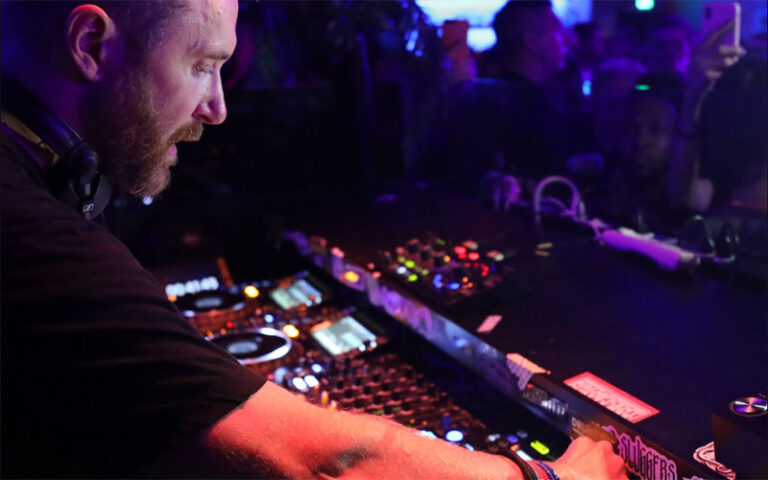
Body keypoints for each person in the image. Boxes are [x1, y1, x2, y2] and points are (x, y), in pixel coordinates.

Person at [0, 1, 628, 478]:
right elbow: (329, 460)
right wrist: (551, 474)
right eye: (201, 65)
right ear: (89, 44)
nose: (216, 106)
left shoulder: (40, 171)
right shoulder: (24, 227)